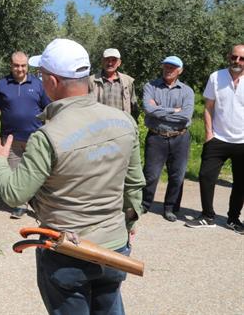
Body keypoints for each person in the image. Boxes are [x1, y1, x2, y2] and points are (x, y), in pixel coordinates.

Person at [0, 38, 144, 315]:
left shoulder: (47, 136)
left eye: (40, 74)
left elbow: (15, 194)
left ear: (51, 81)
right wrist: (129, 225)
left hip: (67, 252)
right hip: (115, 248)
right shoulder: (125, 122)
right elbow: (133, 184)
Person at [187, 44, 244, 233]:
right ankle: (207, 216)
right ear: (229, 56)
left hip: (242, 141)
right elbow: (208, 107)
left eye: (241, 59)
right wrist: (209, 134)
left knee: (241, 183)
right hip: (217, 138)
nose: (237, 61)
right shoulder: (216, 77)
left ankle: (233, 219)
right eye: (234, 57)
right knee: (205, 176)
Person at [0, 51, 51, 219]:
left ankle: (40, 205)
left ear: (27, 66)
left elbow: (48, 110)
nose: (20, 69)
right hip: (11, 139)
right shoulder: (1, 84)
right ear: (11, 65)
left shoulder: (38, 85)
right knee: (15, 172)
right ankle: (19, 205)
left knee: (38, 172)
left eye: (23, 65)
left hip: (35, 138)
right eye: (16, 65)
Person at [141, 55, 194, 222]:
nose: (168, 70)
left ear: (180, 70)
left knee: (177, 175)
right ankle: (144, 203)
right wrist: (174, 111)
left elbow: (185, 116)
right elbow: (149, 110)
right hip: (156, 137)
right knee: (151, 174)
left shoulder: (187, 91)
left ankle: (170, 207)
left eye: (172, 67)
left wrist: (160, 110)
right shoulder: (151, 86)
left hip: (180, 137)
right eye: (166, 66)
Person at [88, 48, 140, 120]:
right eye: (107, 60)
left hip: (122, 125)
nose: (110, 63)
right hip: (98, 125)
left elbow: (134, 107)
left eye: (113, 60)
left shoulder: (127, 81)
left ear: (119, 63)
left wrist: (133, 125)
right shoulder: (91, 81)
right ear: (102, 61)